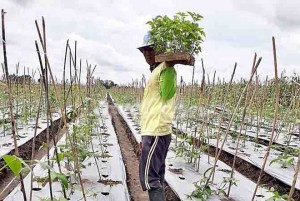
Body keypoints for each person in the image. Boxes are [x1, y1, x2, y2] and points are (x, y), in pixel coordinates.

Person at [137, 39, 177, 201]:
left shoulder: (165, 69)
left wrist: (169, 66)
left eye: (150, 49)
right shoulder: (156, 70)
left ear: (160, 51)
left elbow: (167, 94)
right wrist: (143, 136)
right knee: (157, 174)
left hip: (156, 131)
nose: (147, 53)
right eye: (144, 50)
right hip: (153, 131)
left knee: (149, 178)